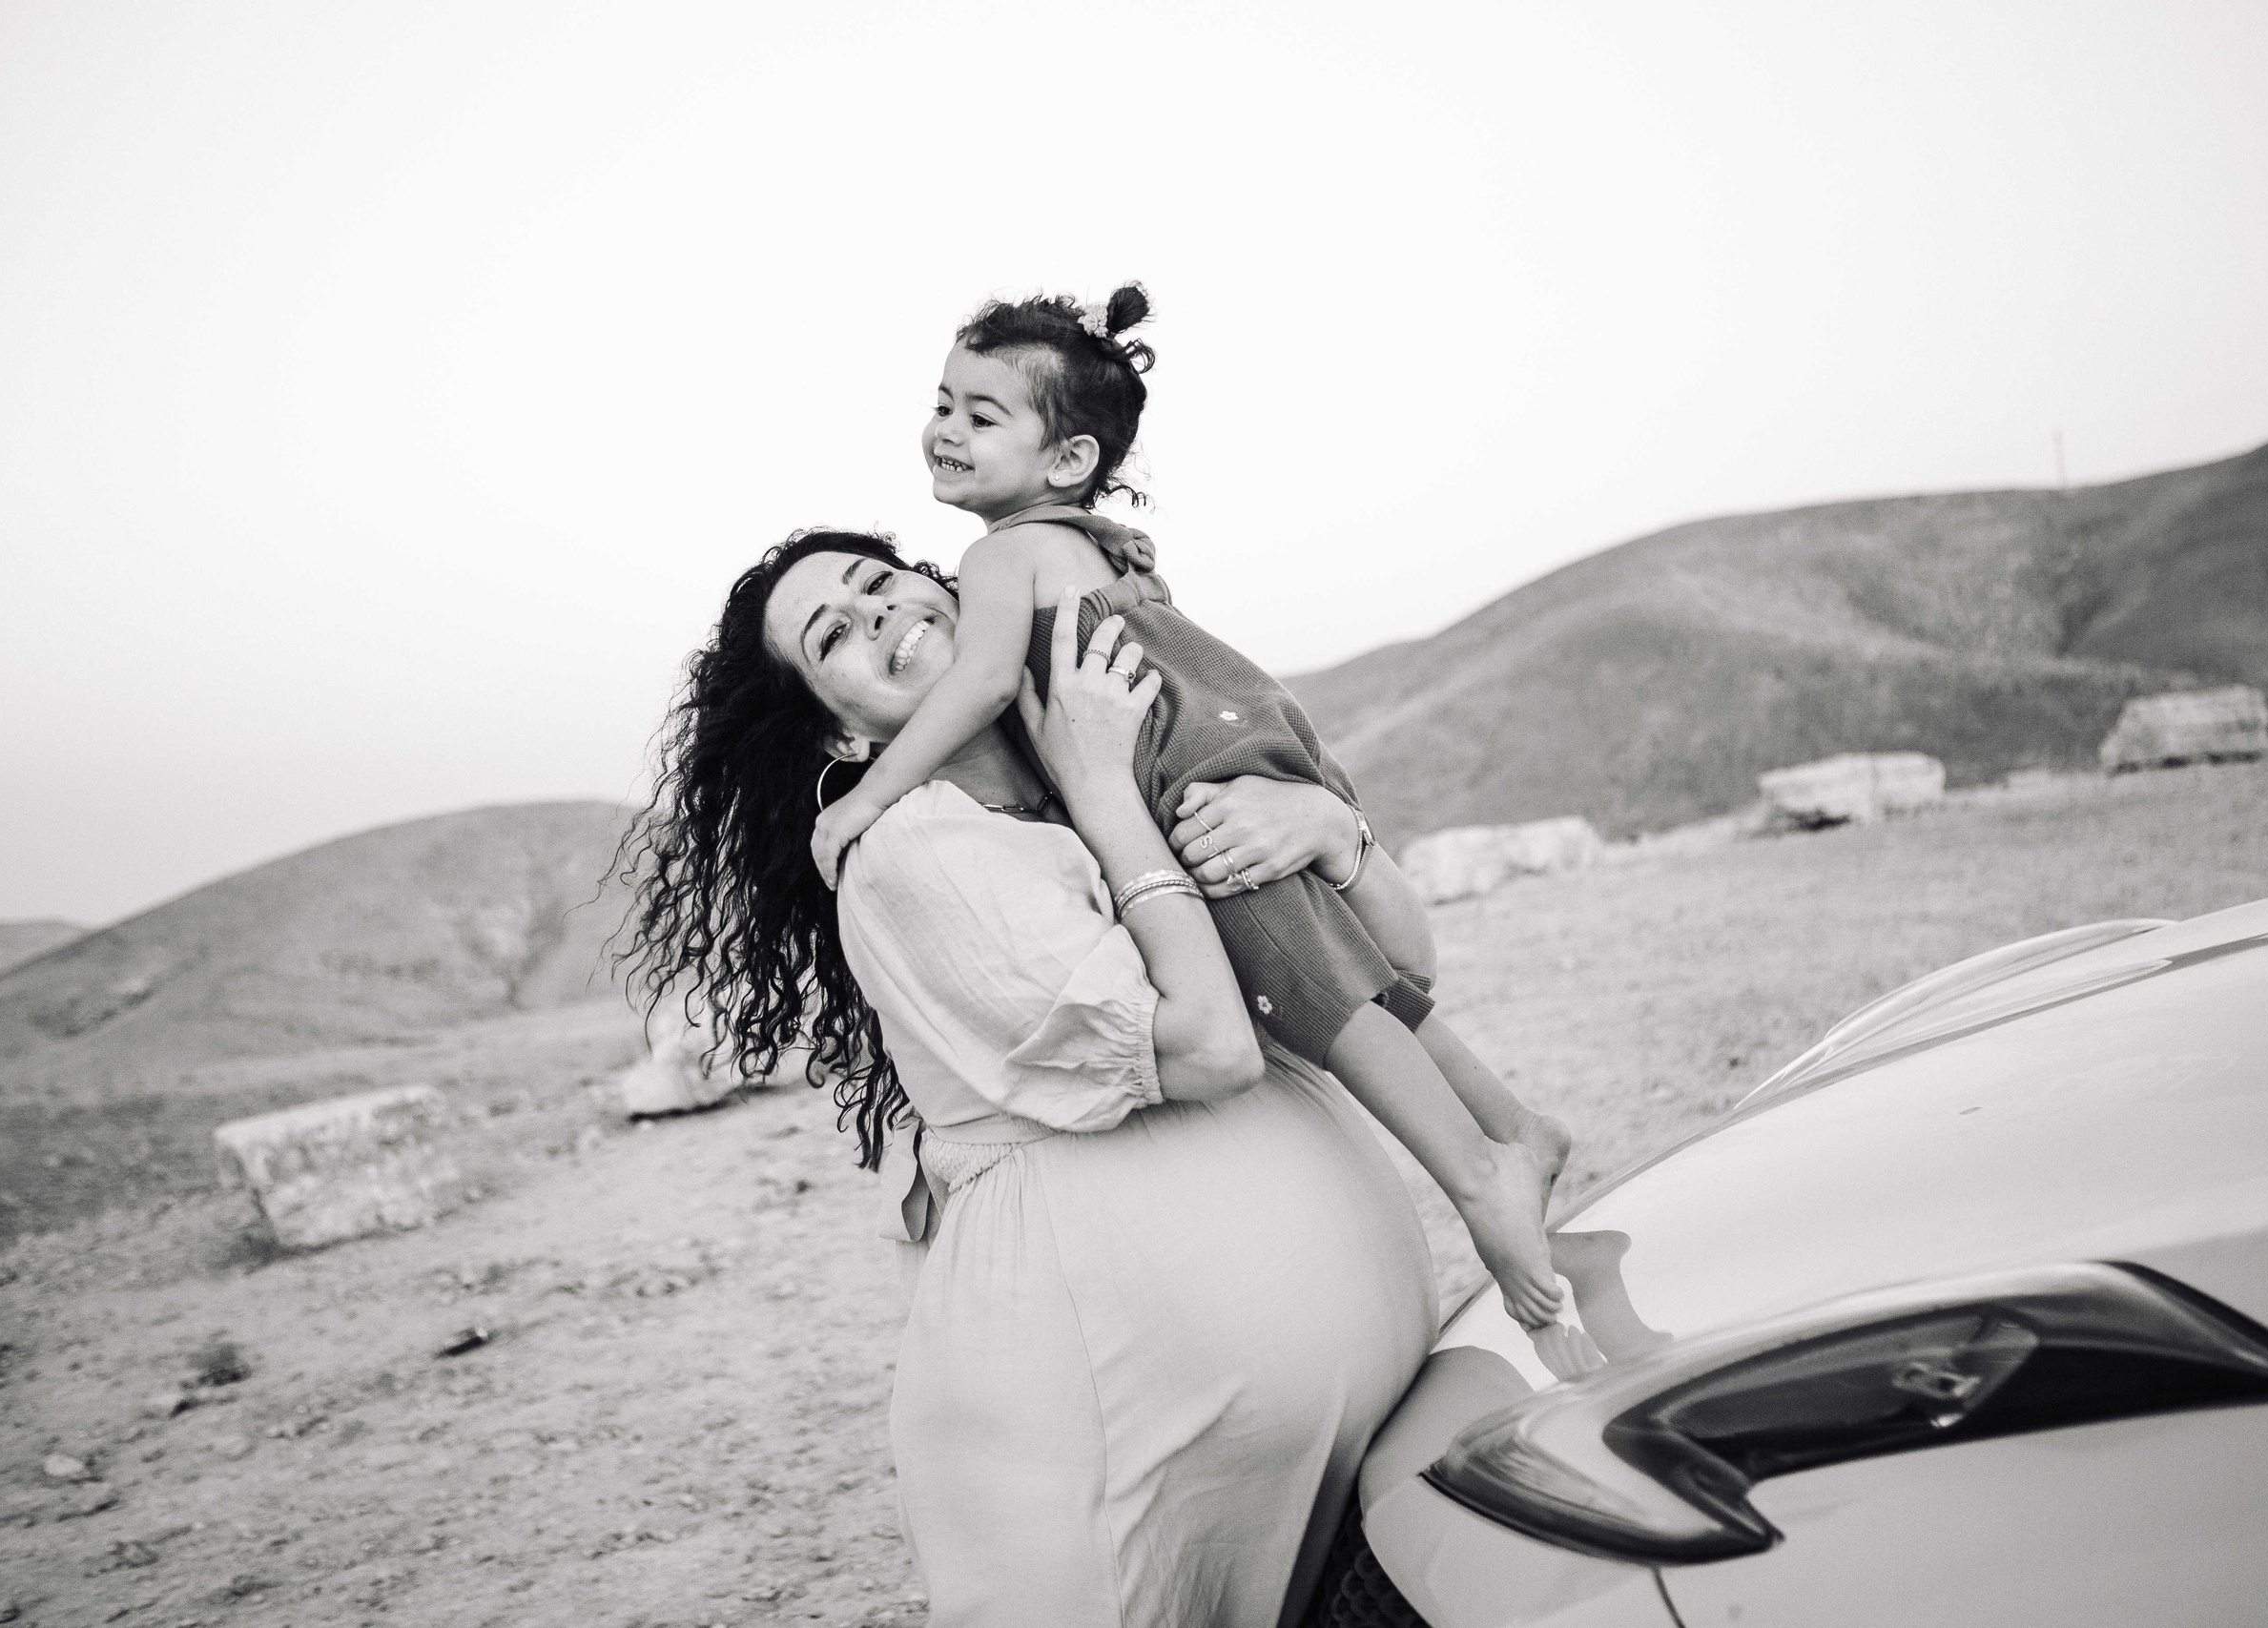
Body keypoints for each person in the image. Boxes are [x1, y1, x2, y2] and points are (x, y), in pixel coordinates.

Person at [620, 528, 1437, 1626]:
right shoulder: (915, 853)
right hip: (1106, 1464)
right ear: (835, 725)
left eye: (878, 584)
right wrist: (1108, 795)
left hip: (1328, 1462)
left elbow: (1402, 981)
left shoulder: (1104, 769)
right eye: (835, 638)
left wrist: (1338, 832)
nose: (879, 619)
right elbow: (1208, 1047)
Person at [809, 282, 1569, 1326]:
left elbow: (982, 682)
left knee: (1318, 991)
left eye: (982, 418)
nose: (945, 430)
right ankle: (1511, 1122)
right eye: (943, 403)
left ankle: (1480, 1179)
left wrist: (867, 795)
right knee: (1356, 969)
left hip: (1187, 780)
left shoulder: (1000, 555)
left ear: (1066, 459)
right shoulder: (1088, 540)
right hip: (1233, 740)